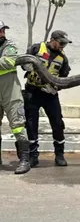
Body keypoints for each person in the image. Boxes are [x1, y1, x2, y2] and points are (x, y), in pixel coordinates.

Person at [22, 30, 72, 167]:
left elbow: (64, 78)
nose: (63, 46)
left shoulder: (63, 58)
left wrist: (55, 88)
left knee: (57, 123)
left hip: (50, 95)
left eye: (65, 44)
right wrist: (26, 65)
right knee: (31, 125)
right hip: (32, 92)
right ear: (52, 40)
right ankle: (33, 156)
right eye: (61, 43)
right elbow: (22, 64)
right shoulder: (36, 48)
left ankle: (59, 155)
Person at [0, 20, 31, 174]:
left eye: (3, 30)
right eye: (0, 30)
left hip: (10, 91)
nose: (2, 33)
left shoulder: (10, 46)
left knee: (18, 125)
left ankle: (25, 160)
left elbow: (7, 62)